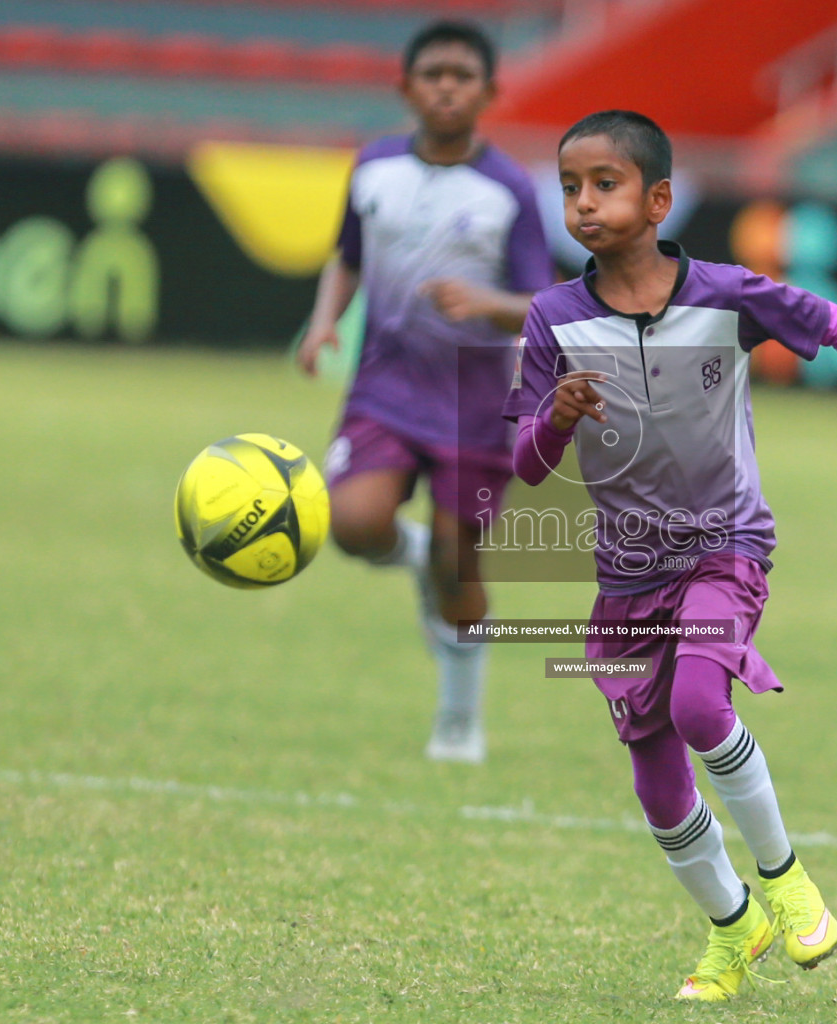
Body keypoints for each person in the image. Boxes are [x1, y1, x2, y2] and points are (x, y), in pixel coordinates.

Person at [502, 110, 837, 1001]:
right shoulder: (553, 318)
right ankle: (733, 929)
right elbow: (523, 465)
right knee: (657, 777)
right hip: (626, 577)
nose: (584, 204)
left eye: (605, 184)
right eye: (569, 187)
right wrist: (553, 417)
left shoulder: (723, 294)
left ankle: (785, 881)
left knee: (703, 704)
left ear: (659, 199)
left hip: (725, 549)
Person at [296, 21, 553, 763]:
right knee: (349, 524)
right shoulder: (372, 168)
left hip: (477, 405)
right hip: (384, 386)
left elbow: (545, 300)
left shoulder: (509, 190)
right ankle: (418, 558)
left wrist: (487, 305)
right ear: (406, 87)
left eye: (462, 75)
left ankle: (458, 720)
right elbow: (345, 257)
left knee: (461, 569)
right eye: (433, 73)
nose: (446, 86)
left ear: (489, 92)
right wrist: (322, 326)